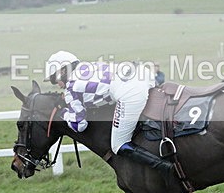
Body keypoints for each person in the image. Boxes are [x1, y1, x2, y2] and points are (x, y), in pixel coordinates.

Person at [44, 51, 176, 184]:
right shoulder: (91, 66)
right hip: (143, 74)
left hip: (131, 90)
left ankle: (164, 168)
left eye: (54, 79)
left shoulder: (70, 90)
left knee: (118, 145)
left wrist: (62, 113)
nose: (57, 85)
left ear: (63, 72)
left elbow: (79, 125)